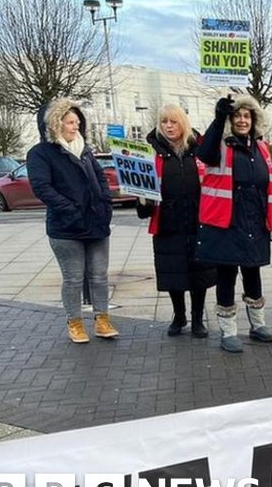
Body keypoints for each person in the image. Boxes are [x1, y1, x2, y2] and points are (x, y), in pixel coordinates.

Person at [196, 95, 272, 353]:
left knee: (253, 273)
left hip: (254, 221)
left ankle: (258, 326)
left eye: (247, 116)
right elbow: (203, 154)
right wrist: (217, 120)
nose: (242, 120)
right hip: (225, 222)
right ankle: (228, 332)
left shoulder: (262, 149)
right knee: (226, 276)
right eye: (236, 115)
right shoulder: (220, 145)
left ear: (254, 120)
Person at [28, 98, 119, 343]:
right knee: (74, 278)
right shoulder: (40, 153)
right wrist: (70, 210)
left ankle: (102, 320)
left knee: (99, 276)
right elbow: (41, 187)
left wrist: (106, 206)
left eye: (77, 122)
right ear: (57, 124)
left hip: (96, 223)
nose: (75, 127)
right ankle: (75, 323)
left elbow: (100, 180)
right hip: (65, 228)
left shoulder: (86, 151)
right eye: (70, 122)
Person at [137, 105, 216, 337]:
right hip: (168, 221)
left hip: (196, 219)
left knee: (199, 272)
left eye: (173, 121)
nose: (169, 126)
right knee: (173, 272)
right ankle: (179, 315)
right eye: (164, 122)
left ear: (184, 123)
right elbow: (144, 194)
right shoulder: (150, 153)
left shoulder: (199, 149)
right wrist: (143, 202)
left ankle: (198, 319)